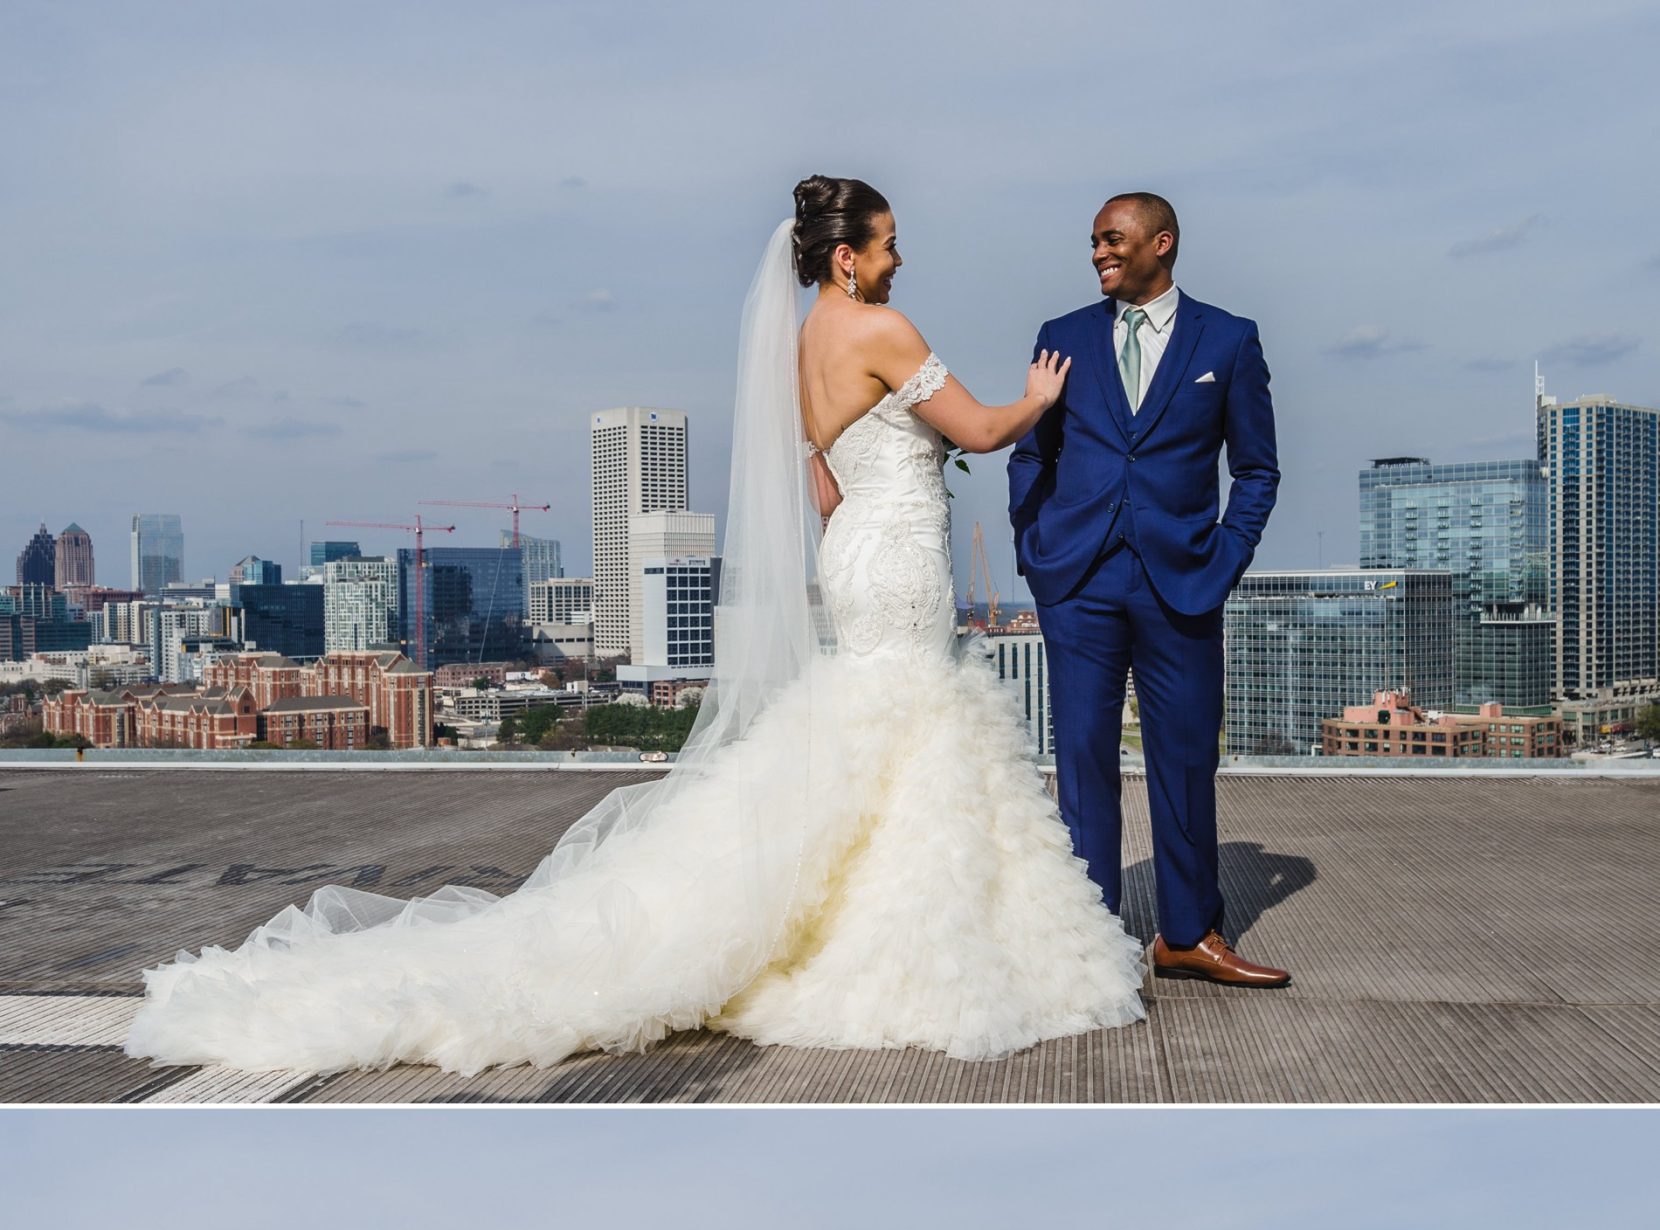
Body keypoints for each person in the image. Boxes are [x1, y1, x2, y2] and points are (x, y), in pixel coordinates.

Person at [124, 178, 1145, 1080]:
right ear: (846, 256)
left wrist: (842, 467)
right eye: (886, 242)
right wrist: (1037, 399)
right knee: (915, 719)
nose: (898, 257)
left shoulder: (805, 341)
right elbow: (974, 429)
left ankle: (860, 921)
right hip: (900, 560)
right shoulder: (883, 328)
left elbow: (811, 453)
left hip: (855, 555)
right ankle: (903, 946)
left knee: (881, 719)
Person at [1010, 191, 1289, 988]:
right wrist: (1034, 548)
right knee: (1084, 762)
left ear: (1161, 243)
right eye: (1094, 240)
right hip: (1079, 583)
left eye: (1113, 239)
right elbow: (1032, 454)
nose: (1099, 252)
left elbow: (1258, 469)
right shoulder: (1061, 337)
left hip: (1183, 582)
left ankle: (1188, 934)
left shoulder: (1228, 341)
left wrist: (1224, 556)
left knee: (1185, 760)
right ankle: (1088, 940)